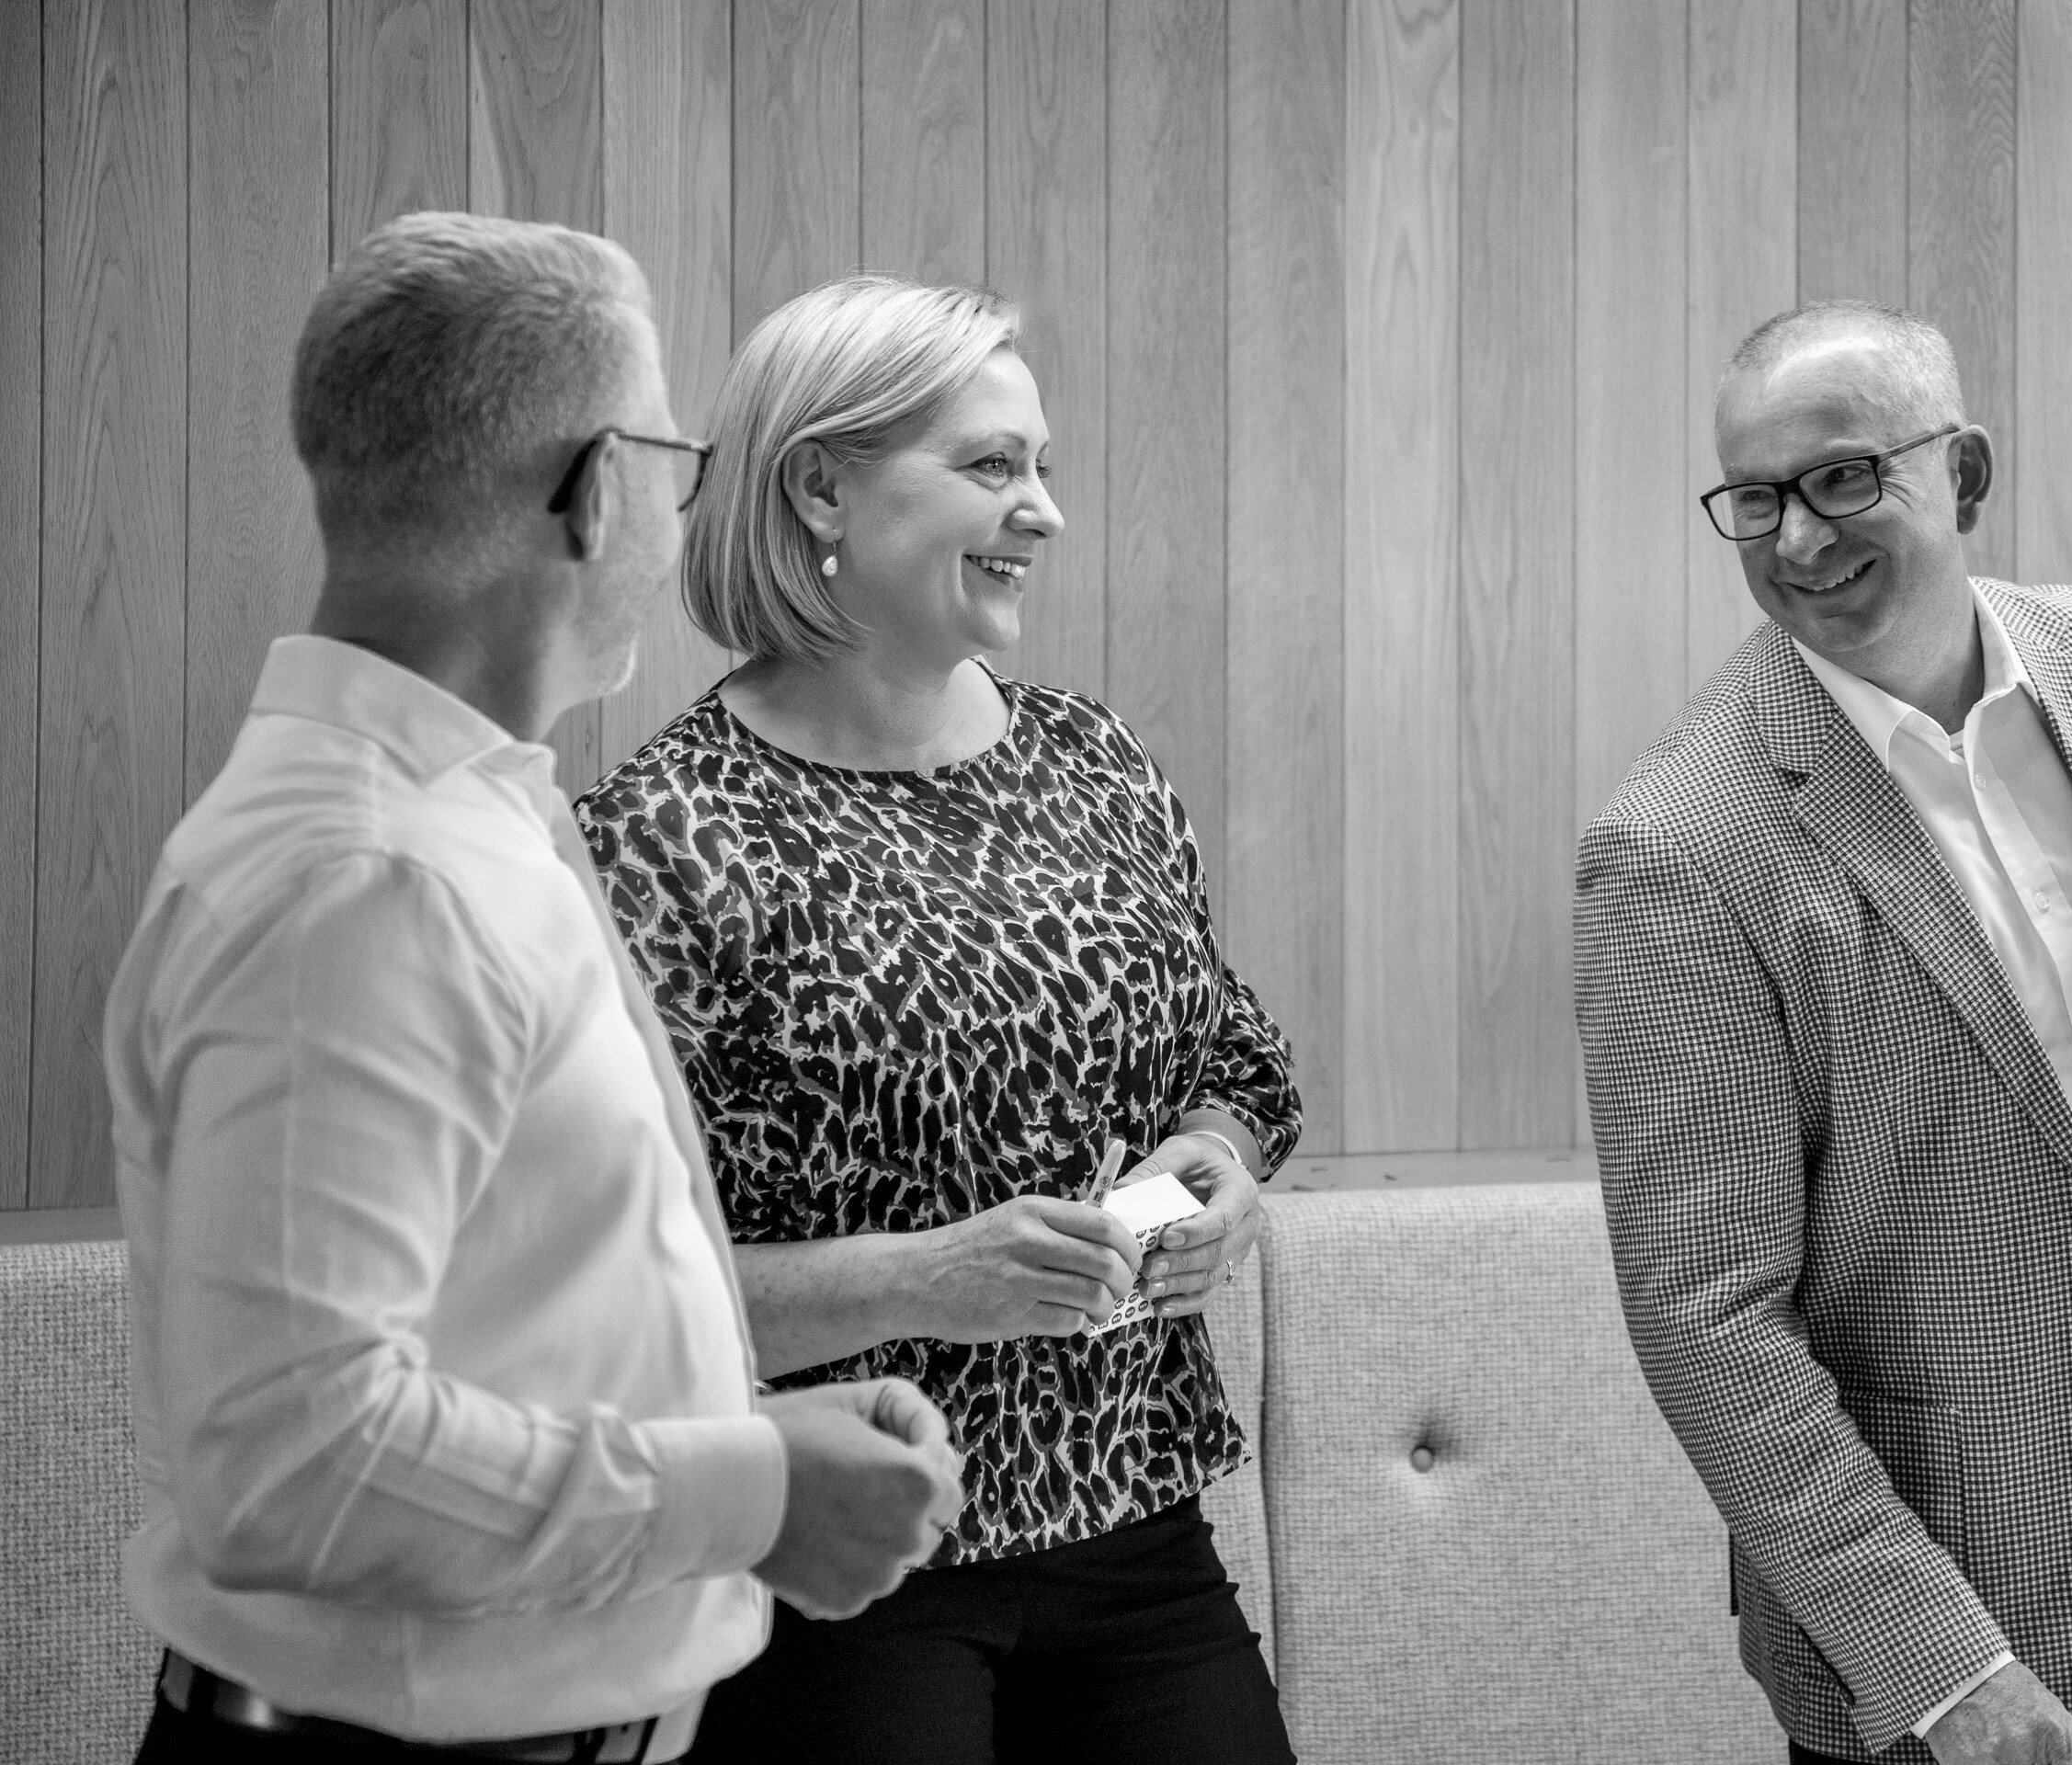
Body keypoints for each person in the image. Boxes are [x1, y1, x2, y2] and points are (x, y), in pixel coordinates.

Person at [103, 212, 964, 1765]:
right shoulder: (371, 882)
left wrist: (736, 1439)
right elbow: (294, 1460)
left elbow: (498, 1322)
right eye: (671, 462)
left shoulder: (462, 826)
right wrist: (748, 1498)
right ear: (595, 487)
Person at [1576, 301, 2072, 1765]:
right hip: (1950, 1605)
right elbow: (1709, 1326)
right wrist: (1941, 1673)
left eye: (1842, 478)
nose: (1799, 541)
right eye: (1753, 500)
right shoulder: (1681, 847)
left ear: (1970, 474)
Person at [574, 274, 1300, 1764]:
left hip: (1137, 1524)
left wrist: (1217, 1170)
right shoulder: (664, 836)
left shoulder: (1091, 759)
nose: (1043, 511)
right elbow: (611, 1291)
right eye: (990, 466)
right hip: (850, 1575)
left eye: (1042, 467)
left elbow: (1235, 1058)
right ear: (821, 487)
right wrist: (924, 1281)